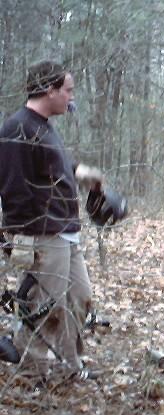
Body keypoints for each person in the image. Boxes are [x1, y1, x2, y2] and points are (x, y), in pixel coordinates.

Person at [0, 60, 103, 380]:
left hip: (65, 232)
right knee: (44, 307)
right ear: (49, 90)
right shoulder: (17, 129)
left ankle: (69, 365)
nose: (71, 97)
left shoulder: (44, 126)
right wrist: (22, 240)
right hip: (42, 234)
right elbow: (12, 187)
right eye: (68, 90)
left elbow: (52, 166)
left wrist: (81, 174)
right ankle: (33, 374)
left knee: (80, 298)